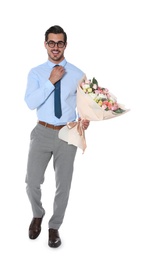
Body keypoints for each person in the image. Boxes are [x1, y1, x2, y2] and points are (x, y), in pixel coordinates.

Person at [24, 25, 90, 248]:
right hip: (42, 131)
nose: (55, 47)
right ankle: (37, 214)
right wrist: (51, 81)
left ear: (65, 45)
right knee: (32, 182)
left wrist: (85, 118)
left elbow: (84, 104)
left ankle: (54, 227)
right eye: (51, 42)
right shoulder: (36, 73)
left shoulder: (79, 74)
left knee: (64, 185)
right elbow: (31, 102)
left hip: (67, 133)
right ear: (45, 44)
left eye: (59, 43)